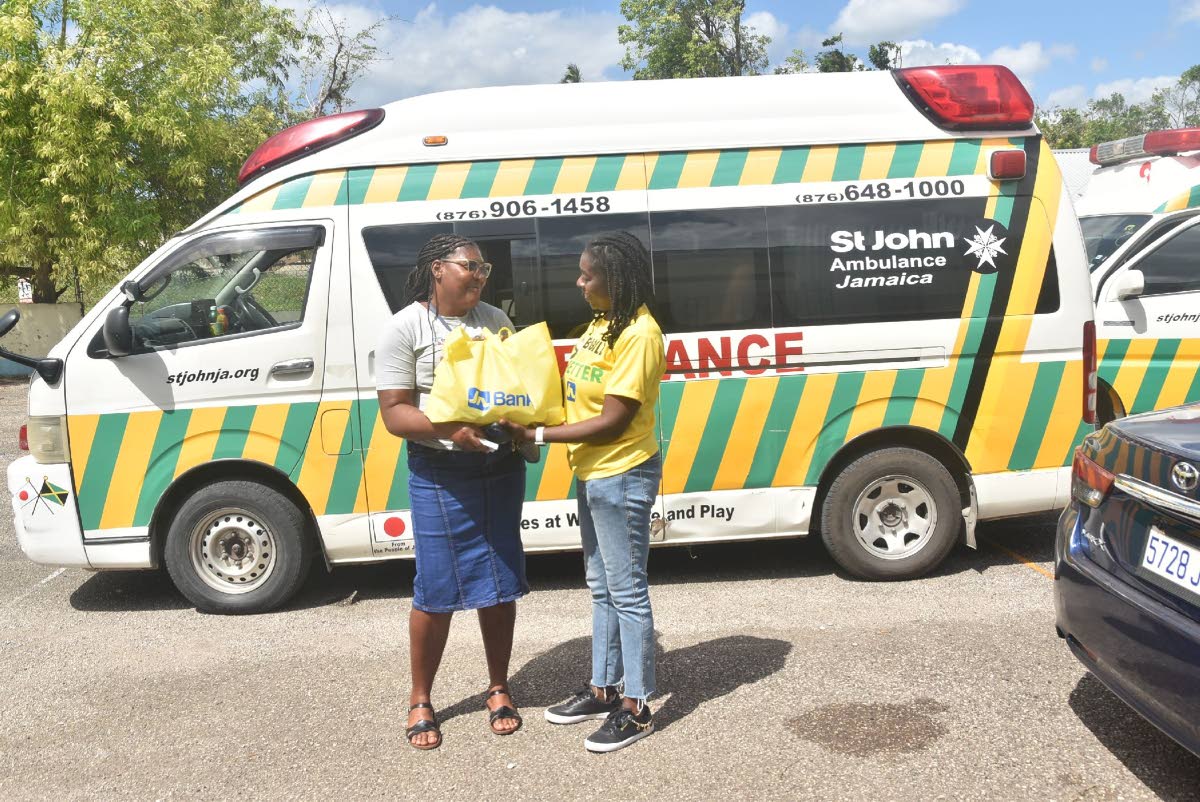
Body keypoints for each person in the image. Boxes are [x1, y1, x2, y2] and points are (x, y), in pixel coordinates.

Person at [504, 231, 665, 753]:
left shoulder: (640, 334)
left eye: (587, 275)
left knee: (627, 590)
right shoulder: (602, 324)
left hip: (621, 472)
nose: (579, 282)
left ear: (613, 279)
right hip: (594, 472)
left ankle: (637, 707)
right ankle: (603, 687)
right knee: (600, 584)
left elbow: (614, 420)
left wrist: (539, 436)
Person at [376, 233, 526, 751]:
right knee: (436, 586)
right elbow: (395, 412)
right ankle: (421, 698)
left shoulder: (496, 322)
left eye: (484, 267)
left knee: (501, 579)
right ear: (438, 269)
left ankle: (499, 686)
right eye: (471, 265)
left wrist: (517, 419)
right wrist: (448, 430)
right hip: (440, 471)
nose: (480, 274)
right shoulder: (405, 327)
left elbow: (516, 388)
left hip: (499, 466)